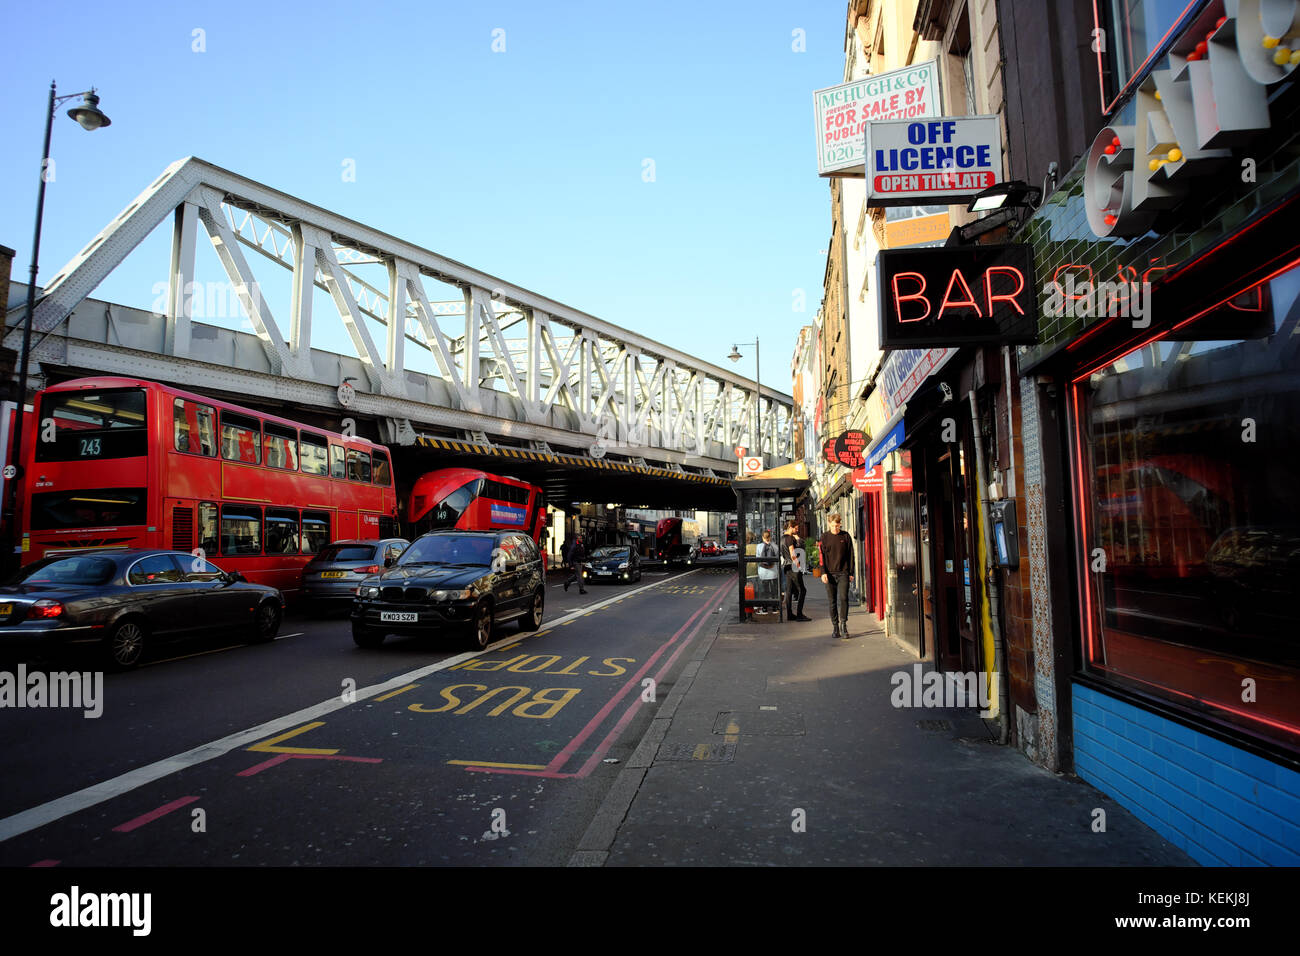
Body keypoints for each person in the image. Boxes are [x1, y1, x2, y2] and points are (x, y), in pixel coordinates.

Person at [818, 512, 855, 640]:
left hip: (843, 572)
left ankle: (844, 625)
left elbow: (851, 555)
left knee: (844, 598)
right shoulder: (824, 537)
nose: (836, 528)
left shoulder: (845, 536)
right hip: (829, 574)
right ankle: (835, 626)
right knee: (832, 601)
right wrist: (823, 572)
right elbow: (821, 557)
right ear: (829, 524)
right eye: (833, 526)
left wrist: (851, 572)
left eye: (838, 526)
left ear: (840, 524)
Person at [782, 518, 808, 621]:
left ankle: (790, 614)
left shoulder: (782, 538)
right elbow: (792, 552)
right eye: (796, 528)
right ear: (791, 527)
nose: (797, 530)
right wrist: (798, 565)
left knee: (789, 591)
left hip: (786, 566)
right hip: (793, 566)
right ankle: (799, 615)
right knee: (802, 590)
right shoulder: (789, 538)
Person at [756, 529, 779, 600]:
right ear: (770, 537)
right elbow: (777, 558)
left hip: (763, 572)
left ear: (762, 537)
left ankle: (765, 607)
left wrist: (764, 566)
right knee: (774, 590)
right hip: (773, 571)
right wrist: (771, 565)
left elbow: (758, 559)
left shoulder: (759, 546)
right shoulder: (774, 546)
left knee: (765, 591)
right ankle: (775, 606)